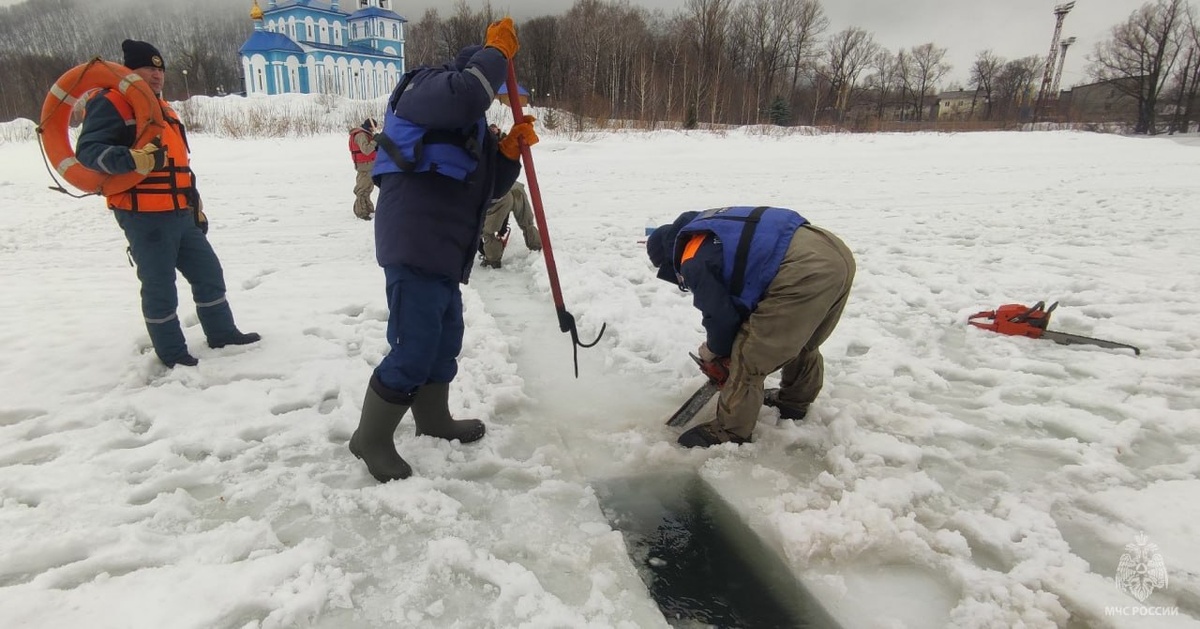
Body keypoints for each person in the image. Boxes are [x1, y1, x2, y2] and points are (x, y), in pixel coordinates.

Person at [348, 17, 538, 482]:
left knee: (445, 339)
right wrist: (499, 54)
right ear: (475, 68)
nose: (492, 96)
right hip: (414, 241)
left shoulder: (467, 123)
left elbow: (489, 189)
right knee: (413, 347)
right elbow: (468, 93)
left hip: (445, 250)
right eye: (490, 81)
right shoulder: (427, 89)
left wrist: (508, 154)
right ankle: (369, 439)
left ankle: (432, 419)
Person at [75, 39, 260, 368]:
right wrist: (131, 159)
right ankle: (172, 353)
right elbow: (88, 152)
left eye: (160, 68)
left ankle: (222, 334)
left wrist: (195, 205)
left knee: (209, 274)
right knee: (160, 286)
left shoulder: (165, 108)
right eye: (148, 67)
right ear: (129, 71)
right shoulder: (112, 102)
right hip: (143, 214)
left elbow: (181, 164)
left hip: (180, 212)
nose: (157, 74)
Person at [645, 206, 855, 448]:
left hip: (801, 269)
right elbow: (745, 287)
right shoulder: (710, 229)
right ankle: (794, 401)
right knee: (801, 338)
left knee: (749, 355)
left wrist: (715, 351)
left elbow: (720, 317)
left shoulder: (691, 259)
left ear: (669, 258)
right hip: (832, 251)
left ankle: (730, 432)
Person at [479, 127, 541, 267]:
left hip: (496, 197)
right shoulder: (504, 149)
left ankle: (492, 260)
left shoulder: (479, 150)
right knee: (527, 222)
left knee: (487, 232)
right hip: (512, 189)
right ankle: (536, 246)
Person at [349, 118, 379, 220]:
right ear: (369, 127)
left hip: (369, 165)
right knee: (362, 189)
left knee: (368, 188)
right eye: (372, 128)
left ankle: (368, 209)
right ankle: (360, 212)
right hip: (364, 166)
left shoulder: (366, 134)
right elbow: (366, 150)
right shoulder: (361, 135)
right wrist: (375, 141)